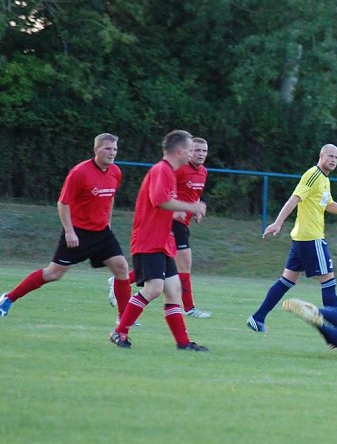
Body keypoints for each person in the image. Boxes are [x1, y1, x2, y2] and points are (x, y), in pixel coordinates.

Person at [0, 134, 132, 322]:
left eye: (115, 149)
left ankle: (125, 320)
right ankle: (8, 298)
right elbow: (63, 203)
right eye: (107, 149)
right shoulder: (80, 172)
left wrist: (107, 223)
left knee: (121, 268)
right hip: (79, 232)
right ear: (96, 150)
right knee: (53, 274)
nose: (112, 153)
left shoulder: (115, 172)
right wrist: (70, 231)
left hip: (102, 232)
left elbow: (109, 198)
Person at [109, 130, 208, 351]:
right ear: (180, 151)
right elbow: (160, 200)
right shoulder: (162, 170)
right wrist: (190, 207)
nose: (194, 153)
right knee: (154, 288)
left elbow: (160, 204)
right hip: (149, 240)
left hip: (163, 241)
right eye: (191, 149)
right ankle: (119, 332)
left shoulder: (170, 173)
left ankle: (183, 343)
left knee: (173, 292)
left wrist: (176, 213)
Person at [246, 144, 337, 333]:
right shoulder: (313, 175)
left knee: (286, 281)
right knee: (328, 282)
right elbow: (294, 199)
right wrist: (278, 222)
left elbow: (327, 203)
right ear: (321, 155)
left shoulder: (324, 179)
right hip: (311, 238)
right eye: (330, 156)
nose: (333, 160)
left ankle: (257, 318)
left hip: (302, 238)